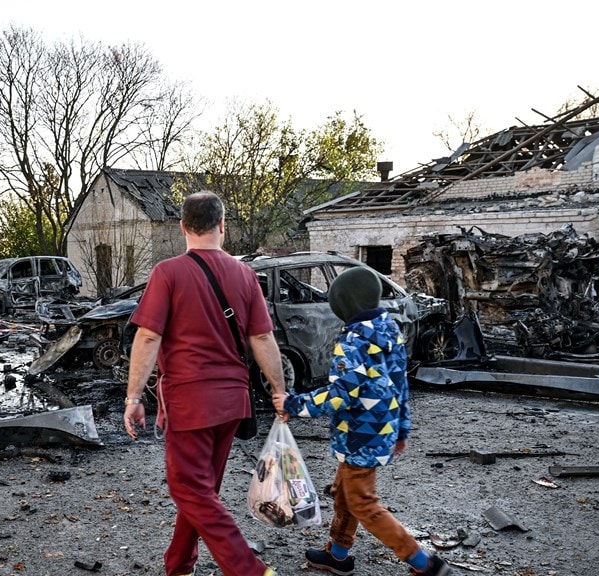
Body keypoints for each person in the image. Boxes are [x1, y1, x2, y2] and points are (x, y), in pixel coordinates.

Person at [123, 190, 287, 576]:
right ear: (222, 227)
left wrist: (133, 396)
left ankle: (250, 569)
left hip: (190, 402)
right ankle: (179, 565)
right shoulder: (245, 274)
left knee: (190, 490)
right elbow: (262, 339)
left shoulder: (169, 272)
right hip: (232, 403)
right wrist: (279, 390)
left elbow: (148, 337)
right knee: (202, 491)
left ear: (182, 227)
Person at [272, 267, 453, 576]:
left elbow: (340, 396)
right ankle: (338, 555)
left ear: (344, 306)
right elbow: (401, 386)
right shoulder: (389, 330)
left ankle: (423, 563)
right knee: (345, 495)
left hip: (359, 436)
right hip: (380, 431)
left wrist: (294, 403)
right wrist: (401, 429)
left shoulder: (353, 341)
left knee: (363, 504)